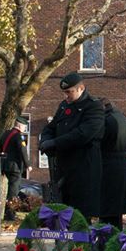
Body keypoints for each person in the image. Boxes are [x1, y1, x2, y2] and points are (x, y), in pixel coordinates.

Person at [39, 73, 105, 220]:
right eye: (64, 92)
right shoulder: (64, 106)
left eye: (69, 92)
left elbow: (82, 134)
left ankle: (82, 243)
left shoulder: (93, 106)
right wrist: (45, 140)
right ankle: (64, 242)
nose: (66, 96)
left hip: (83, 169)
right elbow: (51, 127)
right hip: (64, 169)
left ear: (81, 88)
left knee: (80, 217)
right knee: (63, 214)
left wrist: (55, 143)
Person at [99, 98, 126, 229]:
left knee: (106, 211)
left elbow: (99, 142)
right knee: (116, 213)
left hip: (108, 166)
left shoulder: (107, 121)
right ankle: (116, 243)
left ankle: (105, 244)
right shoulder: (123, 119)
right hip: (122, 164)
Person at [0, 115, 30, 219]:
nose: (25, 129)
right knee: (13, 191)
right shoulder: (18, 136)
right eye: (24, 127)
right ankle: (10, 214)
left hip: (5, 166)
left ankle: (8, 212)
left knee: (11, 190)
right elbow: (23, 150)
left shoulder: (5, 134)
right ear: (20, 126)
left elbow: (0, 149)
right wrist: (28, 165)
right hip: (14, 167)